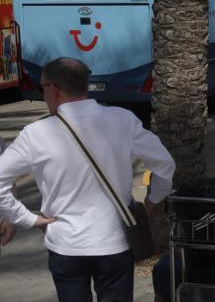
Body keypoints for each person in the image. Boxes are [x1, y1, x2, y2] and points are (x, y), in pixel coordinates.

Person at [0, 57, 176, 302]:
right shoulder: (122, 120)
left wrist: (28, 219)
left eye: (42, 89)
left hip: (65, 245)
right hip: (114, 242)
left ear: (54, 89)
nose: (43, 95)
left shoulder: (35, 134)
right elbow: (165, 164)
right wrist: (153, 198)